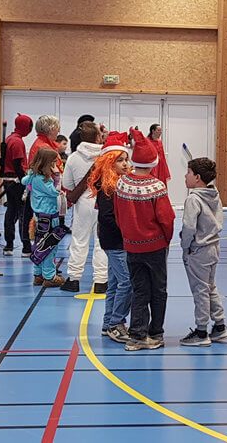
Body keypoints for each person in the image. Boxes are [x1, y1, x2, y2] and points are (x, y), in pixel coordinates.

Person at [115, 128, 175, 351]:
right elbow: (166, 219)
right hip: (155, 246)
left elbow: (119, 215)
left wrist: (128, 236)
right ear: (153, 162)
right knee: (158, 290)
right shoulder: (156, 186)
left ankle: (137, 334)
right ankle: (155, 332)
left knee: (139, 289)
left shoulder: (122, 183)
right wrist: (166, 240)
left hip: (132, 246)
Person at [84, 135, 134, 343]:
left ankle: (108, 323)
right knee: (127, 282)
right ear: (109, 163)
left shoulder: (118, 184)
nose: (125, 164)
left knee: (114, 283)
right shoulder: (109, 187)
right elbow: (107, 217)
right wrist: (128, 229)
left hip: (115, 240)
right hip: (115, 241)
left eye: (126, 159)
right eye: (120, 160)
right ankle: (116, 323)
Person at [178, 158, 227, 347]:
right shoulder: (214, 194)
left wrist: (185, 246)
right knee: (210, 287)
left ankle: (201, 332)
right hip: (213, 248)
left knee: (200, 290)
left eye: (188, 172)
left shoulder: (193, 199)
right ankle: (220, 326)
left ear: (197, 177)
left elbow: (189, 227)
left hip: (199, 251)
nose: (185, 176)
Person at [60, 122, 109, 293]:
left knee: (79, 241)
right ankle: (101, 282)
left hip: (82, 203)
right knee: (101, 242)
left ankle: (73, 279)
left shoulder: (73, 157)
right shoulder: (106, 156)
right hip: (103, 202)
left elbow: (67, 184)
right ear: (97, 136)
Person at [23, 147, 66, 288]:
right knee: (49, 247)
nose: (55, 165)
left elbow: (24, 180)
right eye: (53, 162)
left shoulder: (33, 176)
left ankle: (39, 274)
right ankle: (49, 276)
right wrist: (57, 176)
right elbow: (54, 192)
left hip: (40, 217)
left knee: (40, 246)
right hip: (48, 217)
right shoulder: (42, 180)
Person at [0, 113, 32, 256]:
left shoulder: (9, 138)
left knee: (11, 211)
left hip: (8, 180)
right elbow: (17, 164)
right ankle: (26, 247)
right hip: (17, 181)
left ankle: (9, 245)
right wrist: (24, 180)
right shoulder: (17, 142)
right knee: (23, 213)